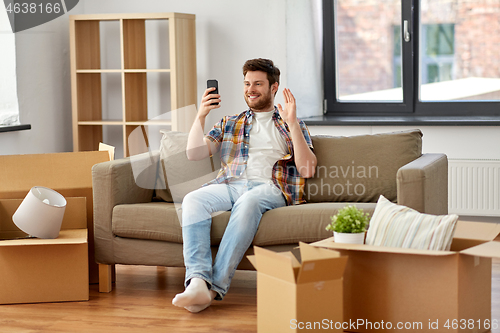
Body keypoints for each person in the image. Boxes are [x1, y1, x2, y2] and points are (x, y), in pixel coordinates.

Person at [172, 58, 317, 313]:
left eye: (258, 83)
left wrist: (293, 124)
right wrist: (201, 115)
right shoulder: (230, 122)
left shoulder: (289, 122)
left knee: (248, 201)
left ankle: (214, 289)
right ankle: (197, 281)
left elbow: (307, 169)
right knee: (193, 199)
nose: (251, 89)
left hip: (270, 188)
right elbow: (194, 154)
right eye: (247, 83)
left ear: (274, 87)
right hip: (230, 184)